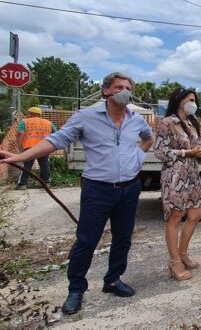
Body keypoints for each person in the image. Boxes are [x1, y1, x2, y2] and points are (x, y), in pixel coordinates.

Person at [0, 72, 153, 315]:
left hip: (128, 188)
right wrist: (21, 156)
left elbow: (147, 138)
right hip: (97, 189)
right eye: (119, 87)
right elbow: (56, 139)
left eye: (128, 87)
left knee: (123, 238)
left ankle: (113, 280)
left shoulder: (136, 119)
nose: (125, 91)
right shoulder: (86, 117)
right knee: (87, 240)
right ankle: (76, 289)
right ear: (106, 91)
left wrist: (138, 156)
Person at [153, 87, 201, 280]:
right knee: (175, 216)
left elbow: (191, 147)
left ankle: (183, 253)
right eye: (190, 99)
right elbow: (159, 152)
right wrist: (186, 153)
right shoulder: (166, 122)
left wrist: (198, 152)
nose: (193, 103)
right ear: (179, 100)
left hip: (192, 174)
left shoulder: (191, 123)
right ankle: (174, 261)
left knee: (196, 213)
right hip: (174, 175)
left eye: (194, 99)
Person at [15, 106, 57, 190]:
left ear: (31, 113)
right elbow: (55, 133)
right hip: (44, 147)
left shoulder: (24, 122)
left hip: (30, 147)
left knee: (27, 164)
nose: (27, 115)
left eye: (28, 113)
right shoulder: (49, 122)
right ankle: (46, 183)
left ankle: (22, 184)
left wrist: (19, 145)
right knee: (44, 164)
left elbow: (20, 133)